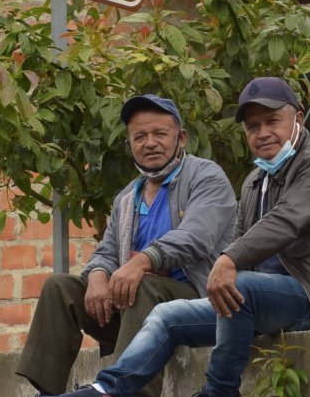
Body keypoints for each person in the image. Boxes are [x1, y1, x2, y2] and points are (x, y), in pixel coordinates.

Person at [55, 77, 310, 397]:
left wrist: (229, 260)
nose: (262, 133)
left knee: (240, 285)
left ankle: (218, 391)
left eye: (272, 121)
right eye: (252, 126)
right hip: (256, 302)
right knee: (167, 316)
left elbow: (286, 221)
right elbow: (237, 241)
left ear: (298, 119)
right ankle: (107, 389)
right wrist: (227, 264)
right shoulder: (255, 180)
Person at [17, 94, 237, 397]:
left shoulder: (205, 176)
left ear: (181, 138)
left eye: (160, 133)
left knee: (142, 284)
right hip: (137, 311)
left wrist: (141, 262)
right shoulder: (128, 197)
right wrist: (96, 275)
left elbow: (195, 237)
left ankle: (123, 391)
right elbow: (106, 252)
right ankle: (47, 392)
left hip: (198, 303)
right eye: (140, 137)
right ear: (130, 145)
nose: (150, 143)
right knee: (60, 287)